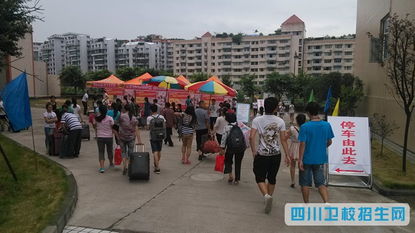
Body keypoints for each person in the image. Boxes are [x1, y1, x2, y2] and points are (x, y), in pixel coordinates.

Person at [249, 97, 290, 214]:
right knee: (272, 178)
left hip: (262, 154)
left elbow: (251, 137)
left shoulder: (257, 120)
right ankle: (269, 197)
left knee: (259, 177)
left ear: (264, 106)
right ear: (276, 107)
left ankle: (266, 196)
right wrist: (287, 155)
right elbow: (283, 140)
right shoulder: (280, 121)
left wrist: (253, 151)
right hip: (276, 154)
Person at [298, 102, 334, 203]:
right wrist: (321, 147)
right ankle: (326, 203)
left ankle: (307, 205)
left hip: (307, 159)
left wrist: (300, 159)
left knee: (305, 183)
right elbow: (329, 141)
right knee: (320, 183)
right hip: (320, 158)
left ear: (308, 112)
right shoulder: (326, 125)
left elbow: (302, 144)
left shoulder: (305, 127)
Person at [220, 112, 246, 185]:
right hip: (240, 148)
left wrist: (222, 147)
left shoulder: (227, 127)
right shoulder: (241, 125)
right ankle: (237, 179)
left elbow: (224, 138)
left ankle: (230, 176)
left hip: (230, 147)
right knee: (238, 163)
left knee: (228, 161)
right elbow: (246, 135)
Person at [119, 104, 143, 175]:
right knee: (130, 153)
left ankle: (124, 166)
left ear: (124, 109)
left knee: (123, 152)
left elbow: (118, 124)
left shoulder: (121, 116)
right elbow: (136, 129)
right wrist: (139, 140)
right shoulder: (134, 118)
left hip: (122, 137)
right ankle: (129, 166)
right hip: (131, 138)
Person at [93, 105, 117, 173]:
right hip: (109, 137)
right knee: (109, 151)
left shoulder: (96, 118)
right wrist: (117, 136)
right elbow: (113, 128)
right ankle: (111, 163)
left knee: (101, 152)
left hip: (100, 137)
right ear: (106, 110)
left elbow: (94, 127)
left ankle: (102, 167)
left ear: (99, 111)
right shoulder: (110, 118)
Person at [286, 113, 306, 188]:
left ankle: (293, 181)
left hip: (294, 147)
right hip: (303, 146)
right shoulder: (306, 128)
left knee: (293, 165)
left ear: (297, 120)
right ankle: (303, 182)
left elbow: (286, 136)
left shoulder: (292, 128)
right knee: (302, 165)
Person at [147, 104, 166, 174]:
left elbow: (147, 128)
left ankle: (157, 168)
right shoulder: (161, 117)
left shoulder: (149, 118)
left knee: (154, 151)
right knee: (159, 151)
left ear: (151, 110)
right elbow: (164, 126)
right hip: (160, 136)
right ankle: (156, 163)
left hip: (153, 136)